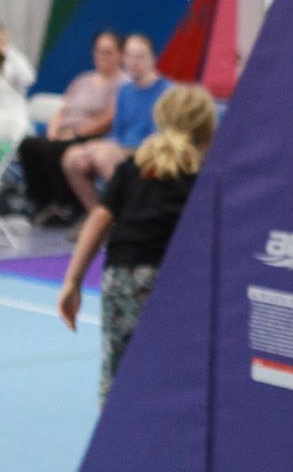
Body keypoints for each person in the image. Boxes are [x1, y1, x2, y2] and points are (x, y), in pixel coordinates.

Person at [58, 84, 216, 401]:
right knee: (176, 371)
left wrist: (72, 281)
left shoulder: (133, 167)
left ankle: (114, 438)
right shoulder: (204, 175)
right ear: (207, 131)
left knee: (117, 374)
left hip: (122, 276)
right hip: (173, 282)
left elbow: (99, 220)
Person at [19, 29, 123, 224]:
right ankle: (41, 201)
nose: (102, 56)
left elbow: (109, 118)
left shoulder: (121, 83)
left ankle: (68, 204)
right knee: (29, 145)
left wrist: (76, 133)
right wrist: (53, 130)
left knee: (56, 149)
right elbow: (63, 109)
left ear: (119, 54)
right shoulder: (82, 79)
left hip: (95, 135)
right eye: (98, 51)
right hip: (65, 131)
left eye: (108, 52)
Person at [61, 32, 168, 217]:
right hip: (121, 146)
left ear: (153, 58)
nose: (133, 61)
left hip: (147, 150)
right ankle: (98, 216)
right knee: (72, 157)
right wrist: (95, 146)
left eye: (140, 56)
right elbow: (117, 133)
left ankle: (126, 215)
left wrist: (110, 148)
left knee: (103, 154)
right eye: (129, 56)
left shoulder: (166, 92)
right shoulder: (124, 91)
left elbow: (158, 137)